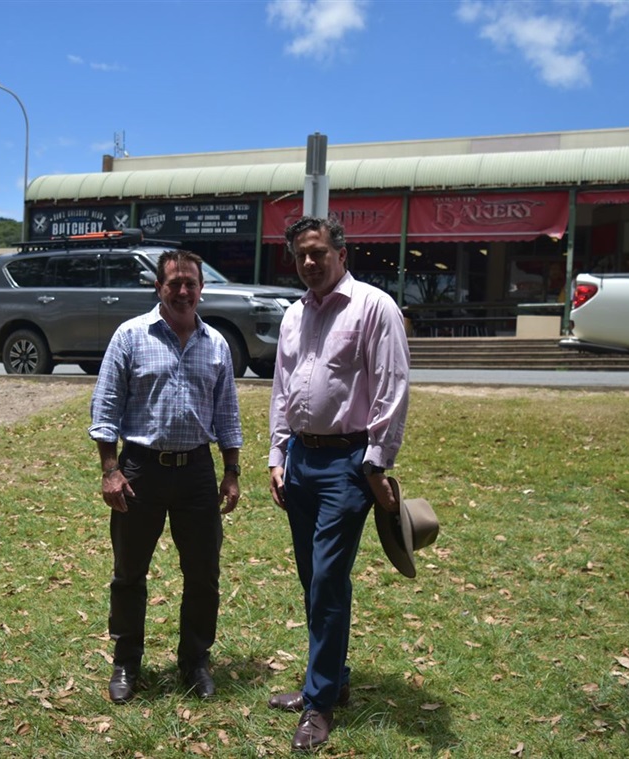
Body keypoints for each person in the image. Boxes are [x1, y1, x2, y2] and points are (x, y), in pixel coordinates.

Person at [267, 216, 410, 752]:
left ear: (341, 253)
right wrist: (277, 454)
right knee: (313, 580)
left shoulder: (374, 307)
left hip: (348, 464)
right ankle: (331, 678)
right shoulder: (293, 315)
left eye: (318, 252)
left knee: (328, 578)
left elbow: (392, 386)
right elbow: (283, 387)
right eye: (301, 255)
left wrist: (376, 462)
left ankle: (319, 702)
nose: (309, 262)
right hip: (301, 459)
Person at [89, 248, 243, 705]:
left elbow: (228, 415)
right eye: (173, 282)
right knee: (129, 573)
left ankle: (195, 661)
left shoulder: (215, 344)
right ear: (159, 287)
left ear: (201, 289)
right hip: (140, 471)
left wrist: (231, 471)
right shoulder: (130, 336)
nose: (182, 291)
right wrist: (110, 470)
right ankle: (126, 662)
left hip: (196, 471)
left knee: (203, 573)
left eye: (190, 283)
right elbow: (106, 408)